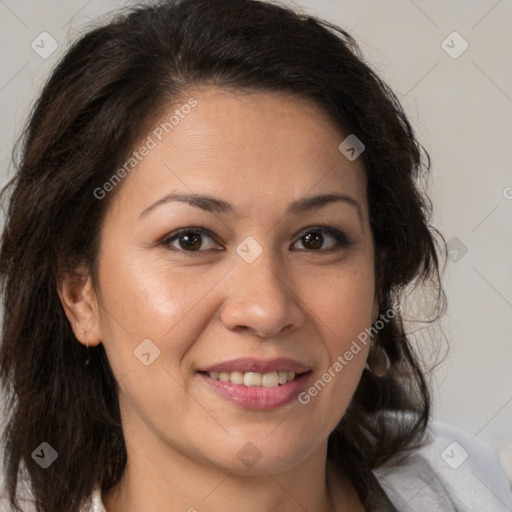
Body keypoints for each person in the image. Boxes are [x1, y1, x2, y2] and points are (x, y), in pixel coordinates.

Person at [0, 0, 510, 511]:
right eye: (191, 240)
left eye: (315, 239)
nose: (266, 309)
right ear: (79, 294)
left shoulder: (467, 484)